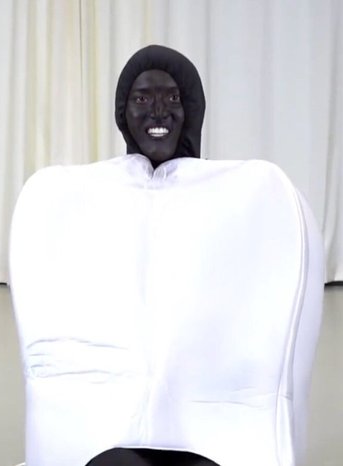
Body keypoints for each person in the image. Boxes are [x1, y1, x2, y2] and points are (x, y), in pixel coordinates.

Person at [86, 45, 217, 466]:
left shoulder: (221, 200)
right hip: (120, 408)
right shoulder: (100, 201)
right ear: (122, 113)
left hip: (200, 408)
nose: (158, 112)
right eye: (142, 98)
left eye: (173, 98)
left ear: (191, 109)